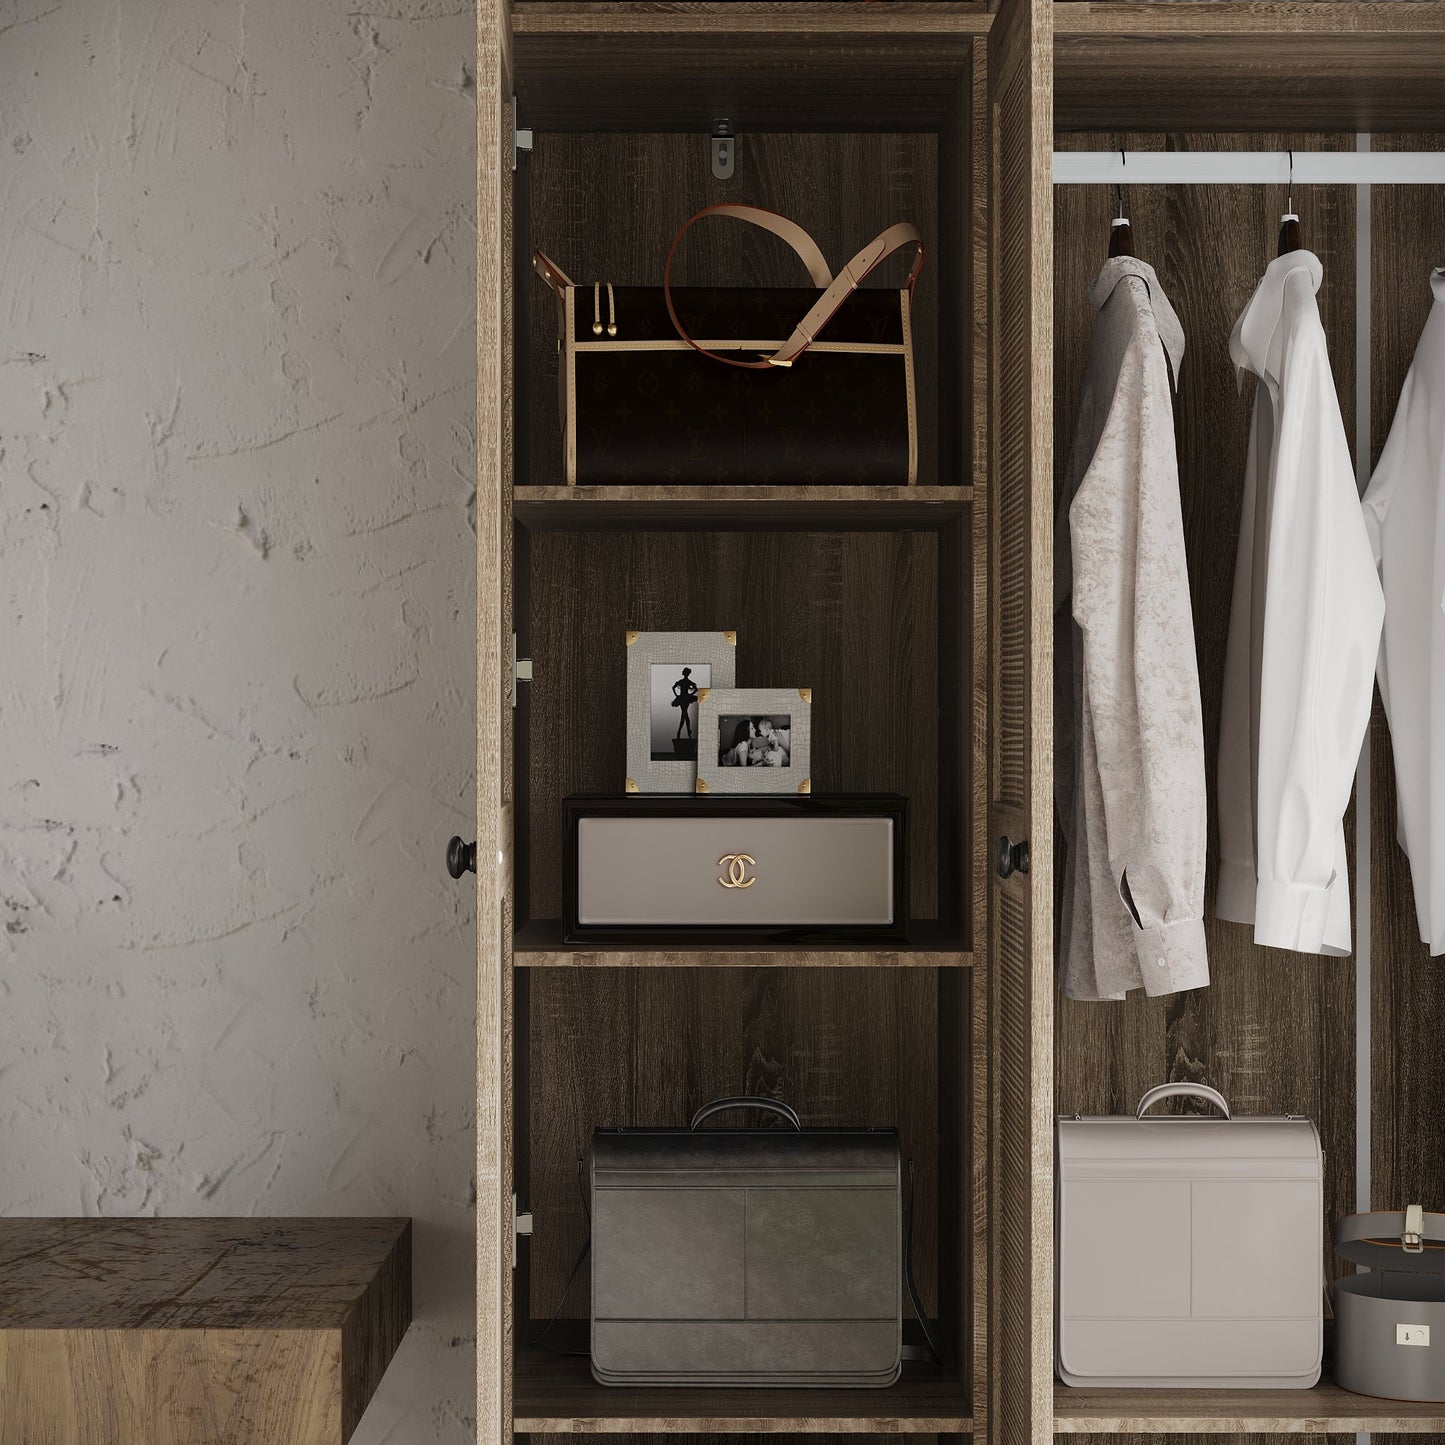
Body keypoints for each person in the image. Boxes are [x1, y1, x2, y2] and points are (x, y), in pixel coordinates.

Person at [670, 667, 699, 740]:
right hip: (685, 698)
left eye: (683, 671)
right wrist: (690, 695)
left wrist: (677, 696)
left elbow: (673, 687)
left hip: (683, 698)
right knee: (685, 714)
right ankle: (687, 732)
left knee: (684, 714)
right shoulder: (688, 681)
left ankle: (680, 732)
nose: (682, 672)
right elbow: (696, 689)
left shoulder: (682, 681)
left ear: (685, 673)